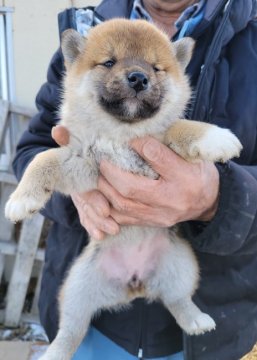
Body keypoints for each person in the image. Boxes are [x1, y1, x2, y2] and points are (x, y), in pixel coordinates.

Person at [13, 0, 257, 359]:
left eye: (156, 69)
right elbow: (33, 148)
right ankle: (65, 341)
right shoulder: (88, 26)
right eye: (110, 63)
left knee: (178, 276)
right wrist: (76, 196)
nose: (137, 76)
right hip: (99, 303)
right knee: (78, 298)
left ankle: (183, 308)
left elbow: (177, 133)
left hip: (211, 336)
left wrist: (220, 198)